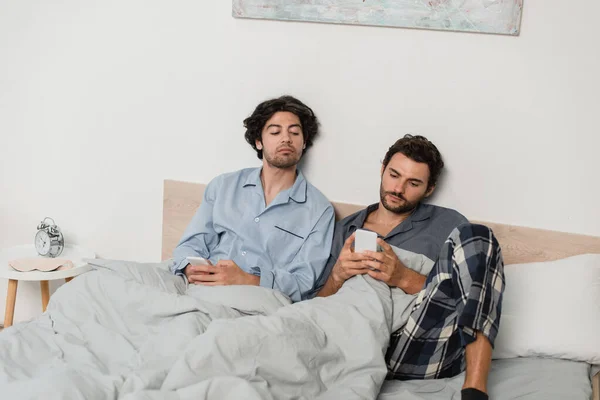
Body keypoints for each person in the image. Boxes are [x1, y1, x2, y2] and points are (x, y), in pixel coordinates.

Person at [314, 135, 505, 400]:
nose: (398, 188)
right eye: (394, 175)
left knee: (478, 235)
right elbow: (316, 308)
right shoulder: (345, 228)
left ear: (429, 189)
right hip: (355, 343)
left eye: (413, 183)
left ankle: (475, 389)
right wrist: (337, 276)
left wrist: (403, 277)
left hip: (420, 346)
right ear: (382, 169)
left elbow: (466, 297)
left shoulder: (448, 224)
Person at [170, 95, 335, 302]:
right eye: (275, 132)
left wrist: (248, 279)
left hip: (256, 300)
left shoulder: (319, 210)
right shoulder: (224, 186)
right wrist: (189, 267)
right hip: (199, 287)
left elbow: (304, 282)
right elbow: (190, 244)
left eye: (294, 132)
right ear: (258, 142)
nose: (286, 138)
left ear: (303, 143)